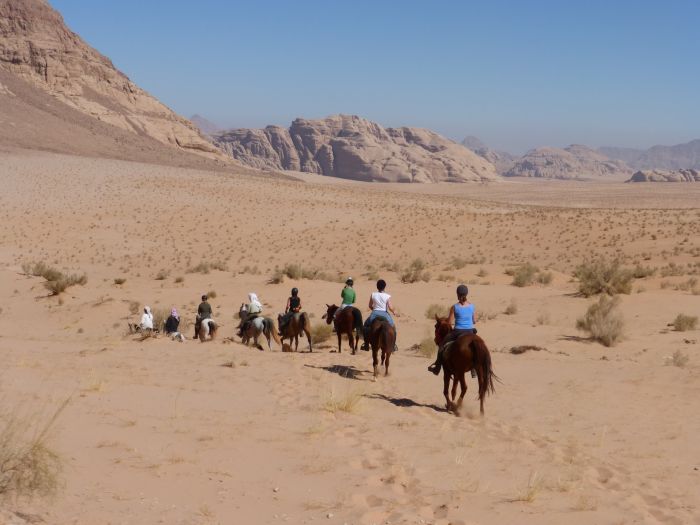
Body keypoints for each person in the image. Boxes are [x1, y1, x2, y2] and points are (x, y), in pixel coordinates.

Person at [428, 284, 477, 375]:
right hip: (470, 331)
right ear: (466, 294)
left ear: (457, 294)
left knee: (442, 345)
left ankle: (437, 367)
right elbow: (474, 321)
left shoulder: (454, 307)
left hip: (458, 331)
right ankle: (474, 368)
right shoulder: (472, 306)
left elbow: (450, 322)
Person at [361, 279, 397, 351]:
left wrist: (374, 309)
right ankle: (393, 345)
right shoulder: (387, 296)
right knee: (393, 328)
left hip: (375, 313)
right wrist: (394, 312)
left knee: (365, 325)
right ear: (384, 287)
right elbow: (390, 307)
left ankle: (366, 344)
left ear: (377, 287)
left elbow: (370, 305)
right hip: (385, 314)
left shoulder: (373, 294)